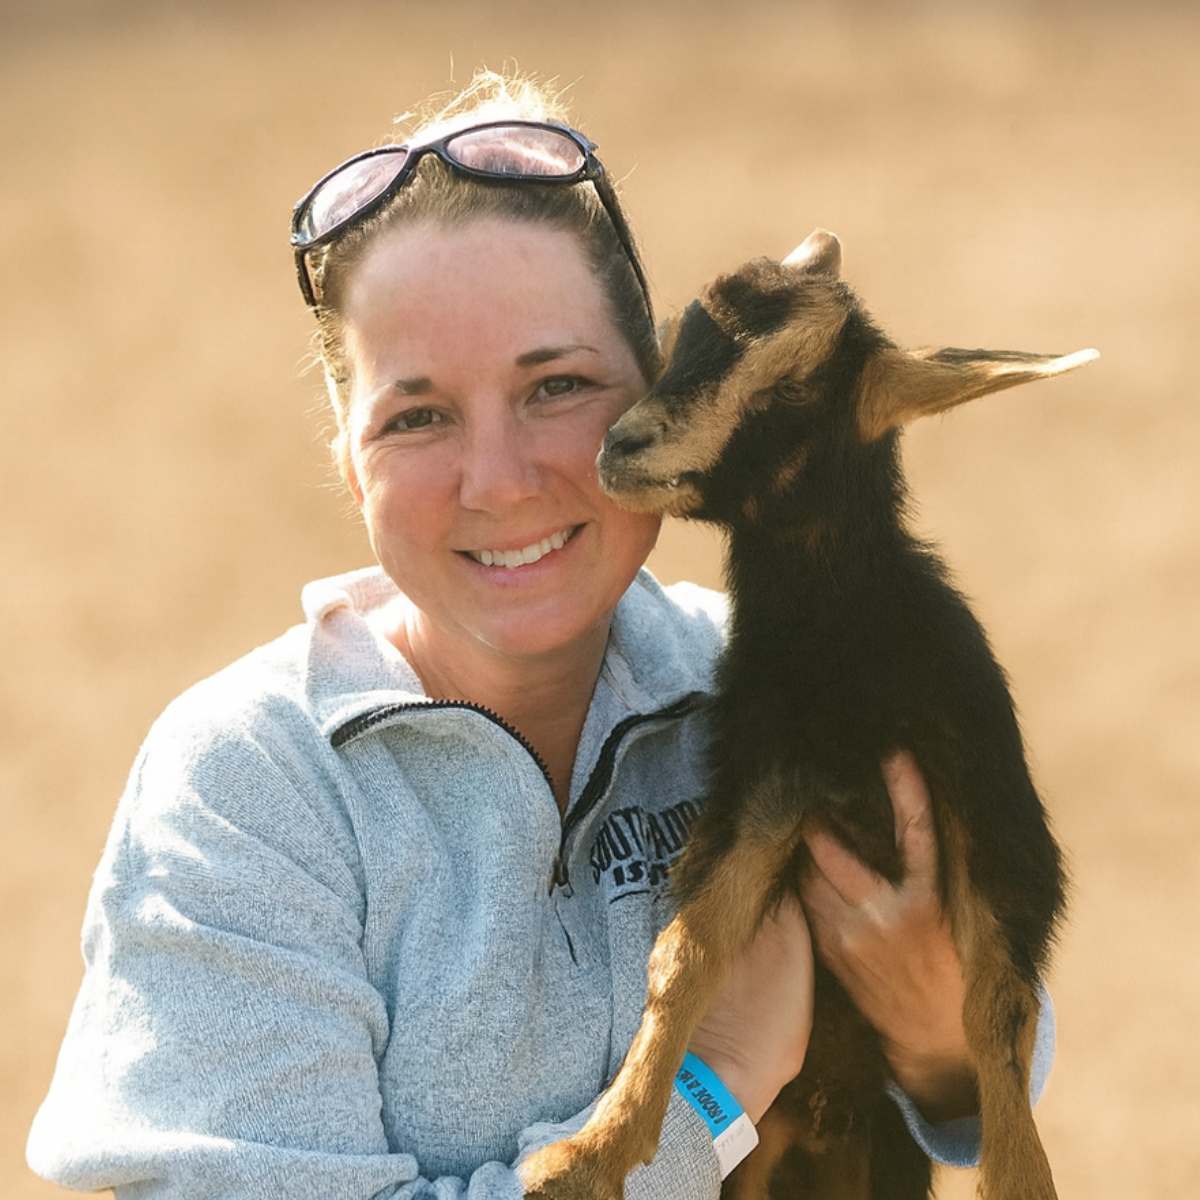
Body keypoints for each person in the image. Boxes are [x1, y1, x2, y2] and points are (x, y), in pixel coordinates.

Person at [27, 71, 1053, 1199]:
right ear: (345, 449)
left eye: (558, 387)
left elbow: (980, 1052)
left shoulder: (763, 672)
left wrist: (934, 1037)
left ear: (665, 391)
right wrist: (714, 1085)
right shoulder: (248, 791)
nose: (501, 481)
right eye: (417, 416)